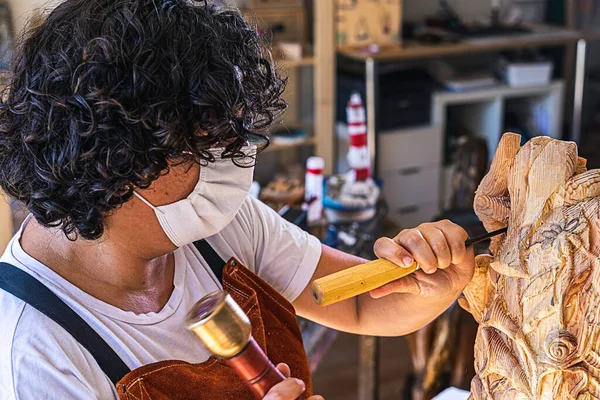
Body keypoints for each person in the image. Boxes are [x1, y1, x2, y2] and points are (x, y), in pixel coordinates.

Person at [0, 1, 475, 399]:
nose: (232, 162)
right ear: (120, 162)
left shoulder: (214, 224)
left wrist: (430, 288)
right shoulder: (35, 353)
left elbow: (360, 306)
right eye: (208, 145)